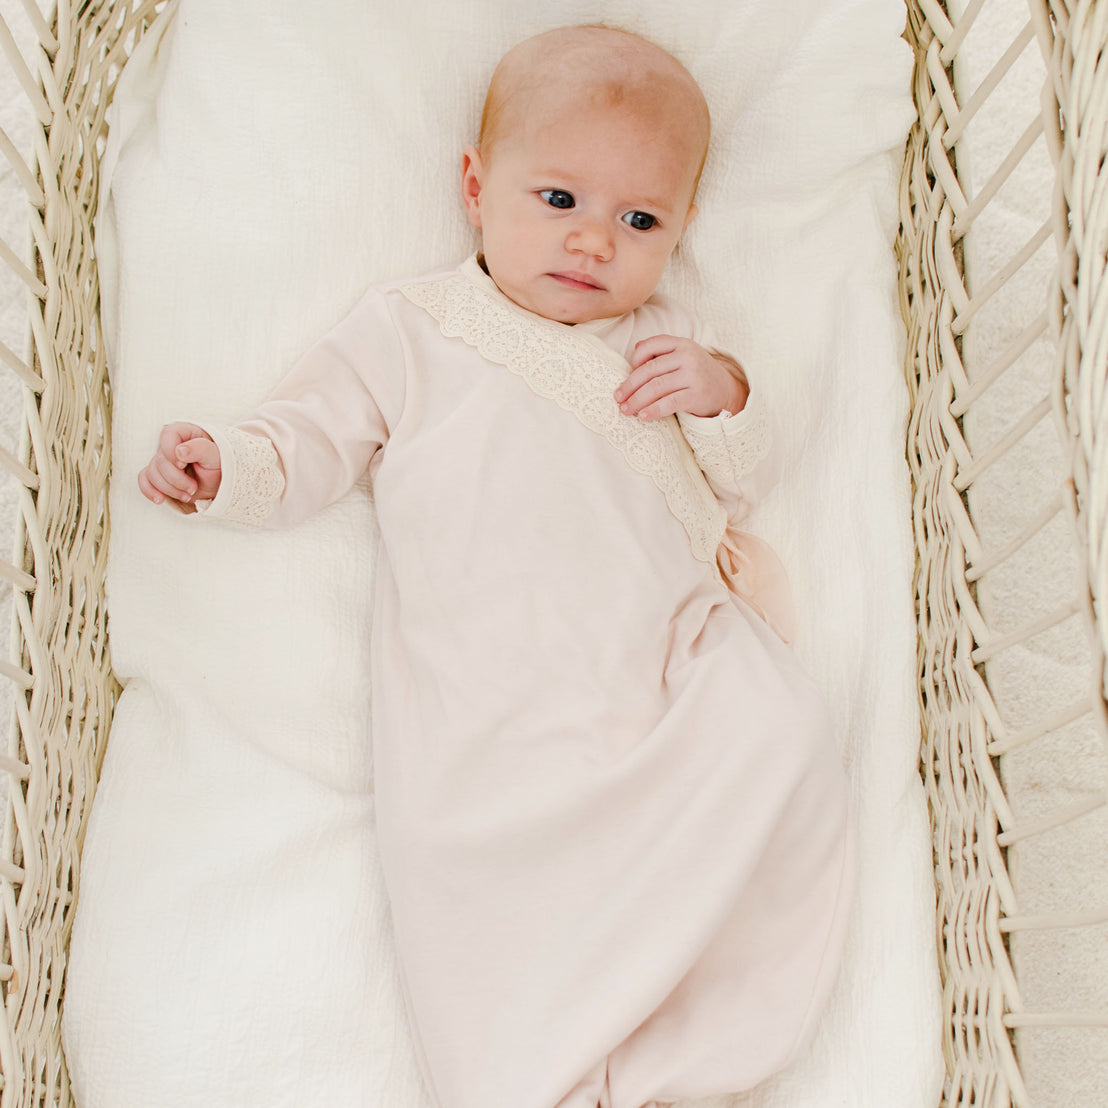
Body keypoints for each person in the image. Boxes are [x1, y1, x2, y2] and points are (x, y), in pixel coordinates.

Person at [138, 24, 852, 1108]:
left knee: (783, 733)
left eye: (639, 218)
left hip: (656, 682)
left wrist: (721, 393)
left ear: (683, 228)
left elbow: (741, 479)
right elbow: (309, 439)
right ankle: (543, 1074)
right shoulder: (413, 330)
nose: (593, 243)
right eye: (557, 199)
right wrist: (223, 464)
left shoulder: (664, 342)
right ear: (477, 186)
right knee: (486, 905)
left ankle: (687, 1059)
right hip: (489, 707)